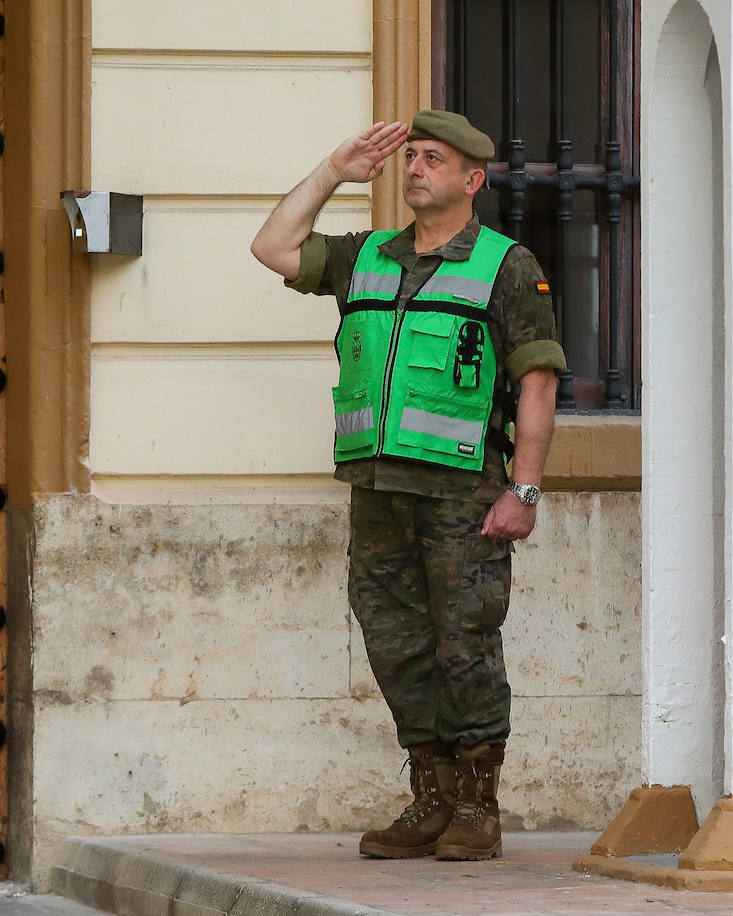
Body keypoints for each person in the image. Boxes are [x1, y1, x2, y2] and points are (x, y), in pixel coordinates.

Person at [250, 111, 566, 861]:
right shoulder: (366, 259)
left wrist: (522, 491)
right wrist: (334, 169)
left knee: (466, 646)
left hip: (462, 492)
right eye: (411, 156)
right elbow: (273, 247)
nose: (415, 167)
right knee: (396, 648)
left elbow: (539, 379)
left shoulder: (504, 264)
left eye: (433, 159)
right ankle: (430, 798)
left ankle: (475, 806)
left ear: (471, 180)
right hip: (379, 489)